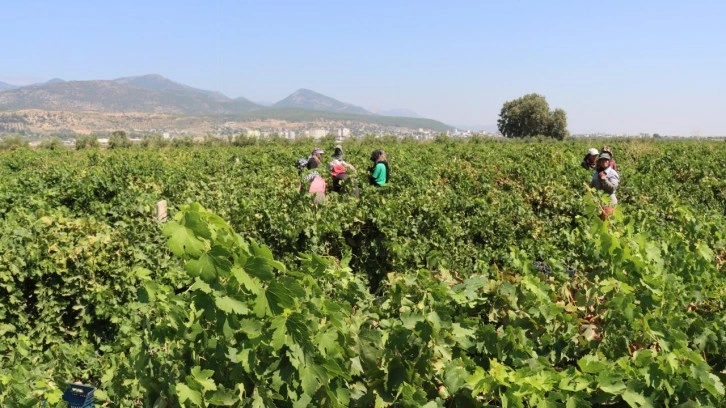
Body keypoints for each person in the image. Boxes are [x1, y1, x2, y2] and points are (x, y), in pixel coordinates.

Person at [590, 151, 620, 218]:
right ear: (599, 162)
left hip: (609, 203)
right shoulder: (597, 172)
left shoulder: (612, 173)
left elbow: (613, 188)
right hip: (598, 204)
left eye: (606, 160)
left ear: (609, 161)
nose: (604, 162)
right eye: (602, 160)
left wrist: (604, 179)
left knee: (608, 225)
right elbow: (592, 185)